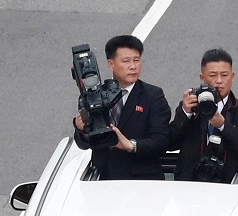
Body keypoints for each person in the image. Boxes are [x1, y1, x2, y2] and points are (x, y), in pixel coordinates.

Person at [73, 35, 171, 180]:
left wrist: (131, 145)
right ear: (111, 64)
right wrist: (82, 130)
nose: (133, 66)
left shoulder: (153, 95)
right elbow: (84, 143)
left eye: (136, 60)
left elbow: (162, 141)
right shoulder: (94, 95)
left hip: (143, 184)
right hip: (104, 182)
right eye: (126, 61)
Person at [169, 48, 238, 183]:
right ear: (202, 78)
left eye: (224, 75)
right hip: (187, 187)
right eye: (213, 75)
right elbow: (170, 143)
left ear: (232, 77)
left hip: (227, 189)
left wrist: (223, 126)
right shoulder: (190, 107)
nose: (219, 81)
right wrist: (185, 114)